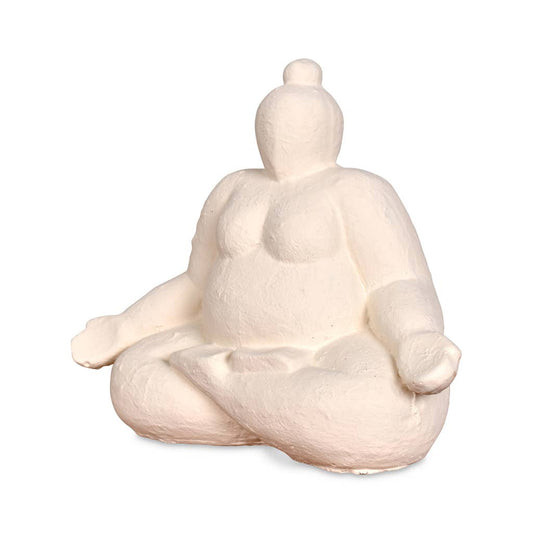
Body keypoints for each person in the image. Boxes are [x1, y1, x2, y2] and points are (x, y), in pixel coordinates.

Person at [72, 59, 460, 473]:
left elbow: (396, 283)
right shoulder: (234, 187)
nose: (279, 139)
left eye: (294, 126)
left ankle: (223, 386)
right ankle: (271, 409)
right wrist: (125, 326)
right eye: (271, 126)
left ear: (328, 130)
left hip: (331, 351)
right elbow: (195, 283)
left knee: (388, 416)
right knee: (134, 378)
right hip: (220, 344)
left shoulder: (357, 190)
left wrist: (414, 336)